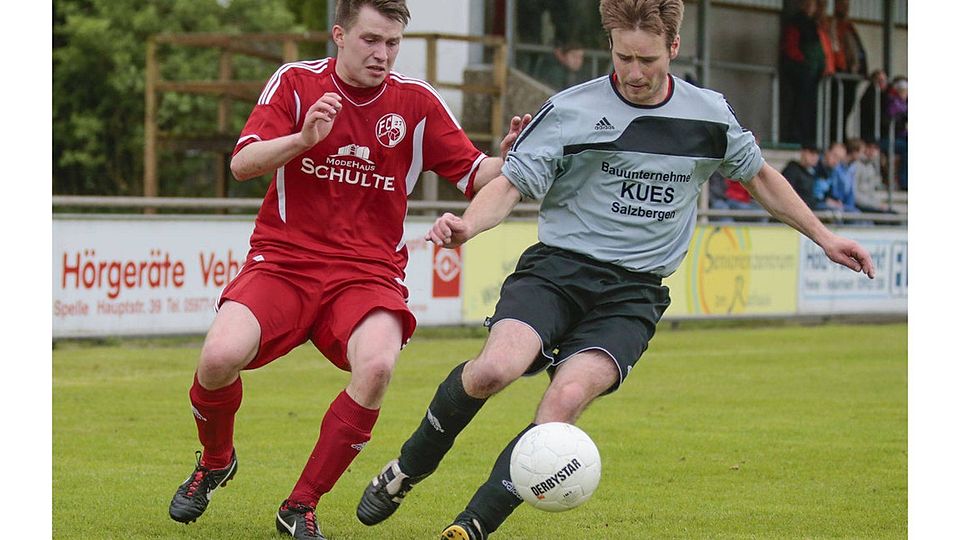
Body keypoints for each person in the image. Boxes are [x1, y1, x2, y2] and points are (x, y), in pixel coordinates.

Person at [356, 1, 876, 538]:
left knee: (565, 400)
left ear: (673, 48)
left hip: (633, 294)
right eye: (623, 56)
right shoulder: (570, 110)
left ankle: (472, 526)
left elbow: (762, 177)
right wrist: (468, 225)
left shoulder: (709, 115)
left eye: (646, 59)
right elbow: (510, 183)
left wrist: (826, 236)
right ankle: (408, 468)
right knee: (493, 371)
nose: (633, 72)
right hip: (556, 272)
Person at [165, 1, 531, 538]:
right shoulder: (295, 83)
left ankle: (301, 505)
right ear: (339, 34)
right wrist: (303, 141)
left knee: (378, 366)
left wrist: (509, 156)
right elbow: (243, 163)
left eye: (392, 44)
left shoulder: (416, 102)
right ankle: (216, 460)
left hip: (368, 272)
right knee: (218, 358)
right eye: (370, 40)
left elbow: (477, 174)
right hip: (285, 262)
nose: (382, 55)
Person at [780, 0, 827, 144]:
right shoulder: (797, 23)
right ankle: (797, 137)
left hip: (812, 74)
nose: (810, 7)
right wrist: (804, 63)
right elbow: (791, 47)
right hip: (801, 73)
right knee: (799, 107)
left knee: (808, 107)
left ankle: (806, 136)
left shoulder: (813, 24)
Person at [852, 140, 895, 214]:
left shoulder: (872, 166)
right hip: (859, 205)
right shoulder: (856, 165)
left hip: (870, 204)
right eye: (870, 147)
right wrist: (876, 205)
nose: (872, 151)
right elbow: (854, 194)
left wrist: (878, 204)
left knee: (894, 214)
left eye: (875, 149)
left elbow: (872, 192)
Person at [781, 144, 821, 209]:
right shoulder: (792, 169)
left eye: (817, 154)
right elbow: (786, 194)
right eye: (812, 153)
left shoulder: (812, 173)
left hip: (807, 208)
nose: (815, 157)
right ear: (803, 152)